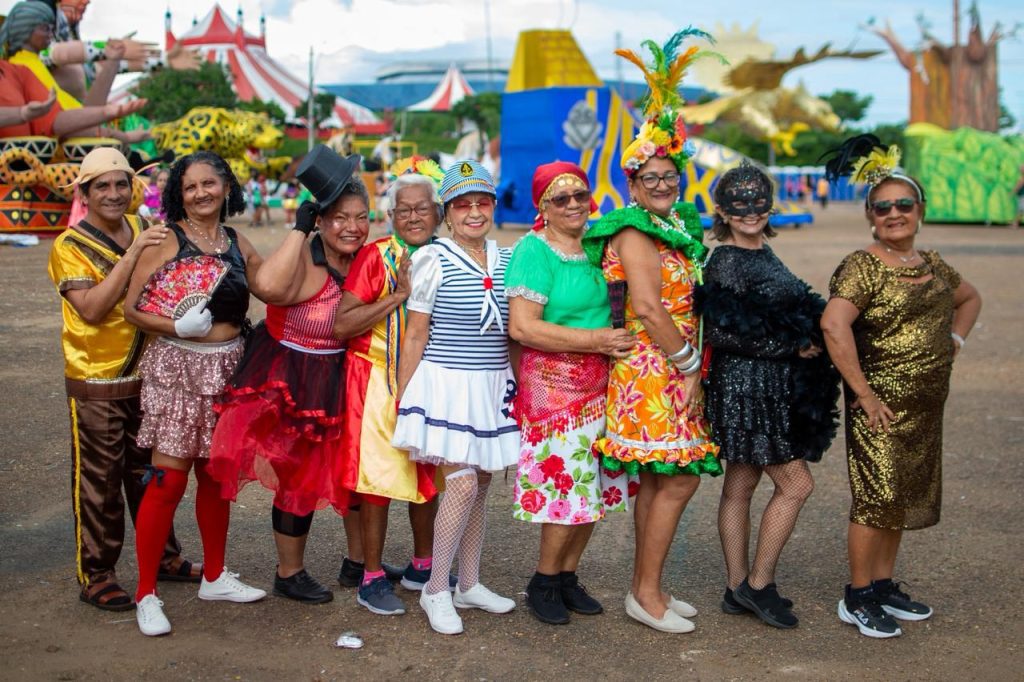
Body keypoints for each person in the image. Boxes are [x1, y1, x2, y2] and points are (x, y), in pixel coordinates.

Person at [581, 29, 721, 635]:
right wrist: (690, 366)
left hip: (666, 360)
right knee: (680, 475)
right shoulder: (635, 231)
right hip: (655, 365)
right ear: (632, 185)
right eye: (651, 178)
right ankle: (645, 592)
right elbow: (648, 306)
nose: (663, 186)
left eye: (670, 177)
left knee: (661, 478)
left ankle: (649, 589)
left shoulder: (670, 228)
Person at [820, 134, 982, 638]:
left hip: (926, 407)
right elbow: (833, 325)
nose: (894, 214)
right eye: (883, 207)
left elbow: (970, 298)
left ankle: (882, 584)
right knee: (876, 498)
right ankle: (857, 596)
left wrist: (954, 340)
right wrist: (864, 394)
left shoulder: (931, 264)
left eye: (904, 204)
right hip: (880, 408)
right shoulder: (863, 265)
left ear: (920, 210)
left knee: (902, 496)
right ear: (871, 216)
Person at [206, 146, 370, 604]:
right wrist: (299, 230)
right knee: (299, 477)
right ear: (320, 220)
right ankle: (289, 571)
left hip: (346, 375)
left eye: (360, 217)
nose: (352, 227)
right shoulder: (303, 256)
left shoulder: (366, 258)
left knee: (355, 473)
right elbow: (269, 288)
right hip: (293, 376)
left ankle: (359, 563)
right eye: (339, 217)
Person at [46, 148, 199, 613]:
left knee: (153, 476)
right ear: (84, 193)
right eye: (102, 187)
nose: (114, 194)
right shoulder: (68, 245)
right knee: (100, 483)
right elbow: (92, 309)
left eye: (121, 184)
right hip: (97, 382)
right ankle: (97, 574)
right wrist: (134, 253)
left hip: (148, 378)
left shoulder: (143, 225)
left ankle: (163, 556)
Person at [124, 150, 268, 636]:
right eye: (191, 186)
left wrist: (308, 240)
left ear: (226, 186)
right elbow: (132, 309)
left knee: (215, 478)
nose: (202, 193)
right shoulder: (166, 240)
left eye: (210, 183)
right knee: (167, 480)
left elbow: (274, 287)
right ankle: (146, 593)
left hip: (229, 366)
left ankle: (214, 576)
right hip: (179, 368)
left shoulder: (236, 241)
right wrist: (175, 325)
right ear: (178, 195)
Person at [700, 162, 840, 629]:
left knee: (740, 486)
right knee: (797, 485)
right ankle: (759, 585)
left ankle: (736, 588)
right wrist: (790, 347)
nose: (750, 210)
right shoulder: (727, 260)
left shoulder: (762, 252)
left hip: (768, 389)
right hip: (747, 390)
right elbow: (719, 332)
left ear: (770, 205)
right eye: (738, 203)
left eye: (758, 200)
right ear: (722, 211)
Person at [507, 161, 637, 625]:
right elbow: (523, 327)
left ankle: (566, 576)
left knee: (595, 486)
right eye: (560, 198)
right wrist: (596, 340)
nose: (573, 205)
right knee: (566, 485)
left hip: (605, 382)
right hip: (556, 386)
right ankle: (543, 580)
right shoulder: (534, 250)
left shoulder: (598, 244)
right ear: (543, 207)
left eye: (580, 195)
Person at [392, 160, 518, 635]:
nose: (474, 212)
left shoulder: (509, 258)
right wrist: (404, 397)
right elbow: (416, 333)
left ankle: (469, 583)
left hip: (491, 385)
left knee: (481, 485)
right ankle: (435, 589)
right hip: (445, 385)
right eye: (463, 205)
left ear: (493, 206)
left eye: (482, 202)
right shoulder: (432, 258)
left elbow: (514, 332)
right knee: (461, 484)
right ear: (447, 213)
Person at [334, 157, 450, 617]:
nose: (414, 217)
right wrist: (397, 296)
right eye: (404, 210)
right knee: (377, 480)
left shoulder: (449, 256)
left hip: (433, 380)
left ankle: (423, 565)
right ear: (391, 216)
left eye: (422, 209)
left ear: (438, 213)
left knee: (428, 475)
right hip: (375, 379)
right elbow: (343, 324)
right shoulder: (375, 256)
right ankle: (371, 576)